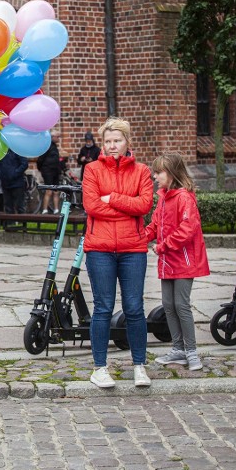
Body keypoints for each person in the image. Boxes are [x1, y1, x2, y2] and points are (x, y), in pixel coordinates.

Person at [82, 117, 154, 389]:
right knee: (103, 308)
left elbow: (144, 205)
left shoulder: (142, 171)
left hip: (132, 249)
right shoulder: (91, 169)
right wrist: (127, 206)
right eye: (108, 141)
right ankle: (100, 368)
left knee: (134, 308)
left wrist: (111, 198)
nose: (113, 146)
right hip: (99, 249)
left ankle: (139, 365)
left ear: (127, 142)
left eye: (117, 141)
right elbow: (91, 206)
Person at [146, 153, 209, 371]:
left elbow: (188, 229)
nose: (155, 176)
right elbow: (155, 224)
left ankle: (191, 351)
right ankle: (178, 349)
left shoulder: (184, 197)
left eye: (159, 172)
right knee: (168, 305)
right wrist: (140, 237)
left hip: (183, 260)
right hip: (168, 261)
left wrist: (163, 246)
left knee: (181, 305)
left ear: (172, 174)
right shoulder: (163, 197)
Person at [0, 149, 28, 216]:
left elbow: (24, 164)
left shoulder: (18, 150)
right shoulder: (2, 151)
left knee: (19, 206)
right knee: (8, 207)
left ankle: (22, 223)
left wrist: (15, 173)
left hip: (17, 183)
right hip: (5, 183)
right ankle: (10, 224)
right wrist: (1, 175)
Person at [37, 130, 61, 214]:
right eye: (57, 137)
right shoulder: (47, 145)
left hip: (55, 171)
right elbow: (40, 159)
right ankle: (45, 209)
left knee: (56, 191)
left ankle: (56, 209)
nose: (58, 138)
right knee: (49, 190)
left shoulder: (54, 146)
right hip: (48, 171)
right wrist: (41, 169)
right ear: (52, 137)